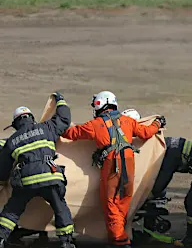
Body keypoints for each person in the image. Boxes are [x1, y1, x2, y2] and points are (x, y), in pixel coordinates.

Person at [61, 91, 166, 248]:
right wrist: (157, 123)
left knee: (111, 204)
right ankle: (116, 238)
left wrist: (57, 124)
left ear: (100, 104)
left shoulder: (95, 125)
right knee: (123, 201)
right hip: (129, 163)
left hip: (112, 164)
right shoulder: (127, 121)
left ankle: (120, 241)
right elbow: (146, 133)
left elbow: (71, 133)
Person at [0, 93, 75, 248]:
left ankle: (1, 237)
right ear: (31, 118)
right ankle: (66, 241)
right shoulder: (47, 127)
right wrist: (60, 101)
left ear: (16, 123)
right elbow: (64, 119)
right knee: (60, 206)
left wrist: (2, 183)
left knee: (12, 210)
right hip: (50, 175)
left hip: (26, 180)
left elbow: (3, 167)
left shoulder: (13, 140)